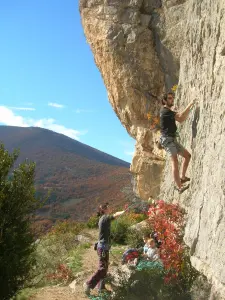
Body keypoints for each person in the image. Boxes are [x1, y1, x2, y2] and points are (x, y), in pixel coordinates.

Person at [83, 203, 125, 296]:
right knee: (102, 268)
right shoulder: (105, 218)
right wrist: (123, 212)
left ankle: (101, 288)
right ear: (104, 210)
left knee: (105, 269)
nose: (110, 209)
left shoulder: (102, 218)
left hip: (103, 247)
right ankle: (88, 284)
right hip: (103, 248)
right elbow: (115, 215)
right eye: (108, 208)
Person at [160, 92, 196, 193]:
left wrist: (190, 108)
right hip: (167, 140)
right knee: (174, 161)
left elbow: (181, 119)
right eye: (170, 98)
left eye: (172, 98)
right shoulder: (165, 111)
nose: (172, 100)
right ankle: (179, 187)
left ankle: (183, 177)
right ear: (164, 101)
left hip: (172, 139)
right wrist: (190, 104)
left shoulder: (168, 112)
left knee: (187, 156)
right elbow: (180, 116)